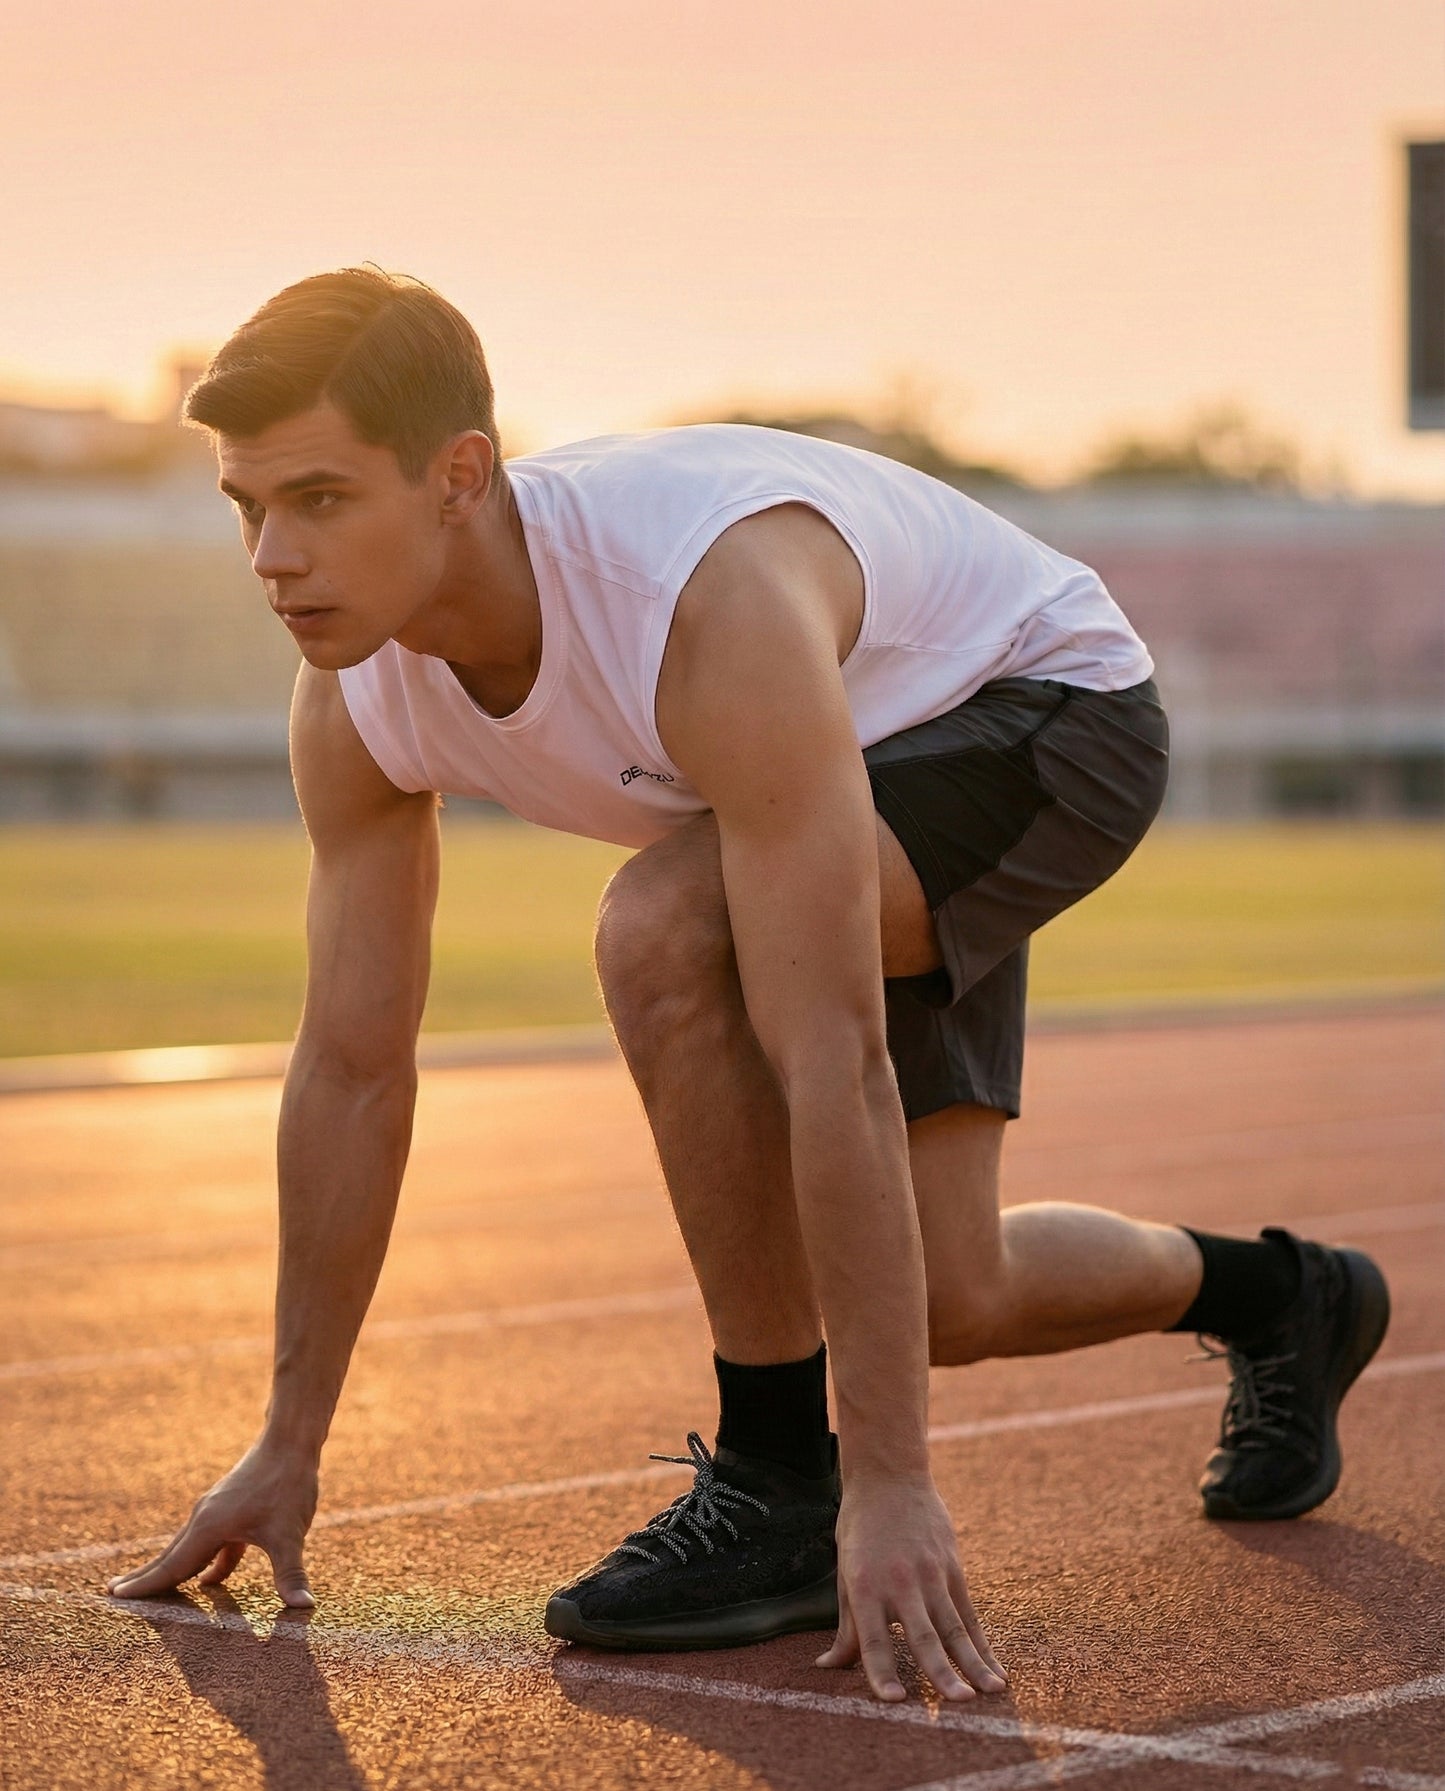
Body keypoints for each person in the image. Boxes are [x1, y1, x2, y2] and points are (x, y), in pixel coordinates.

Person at [106, 268, 1391, 1704]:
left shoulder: (692, 600)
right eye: (247, 507)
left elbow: (826, 1053)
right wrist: (289, 1440)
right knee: (948, 1298)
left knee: (662, 928)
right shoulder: (351, 692)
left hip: (1041, 714)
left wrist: (885, 1486)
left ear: (458, 476)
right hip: (848, 758)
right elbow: (352, 1066)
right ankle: (1286, 1295)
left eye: (323, 500)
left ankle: (780, 1475)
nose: (272, 556)